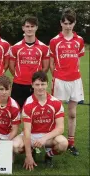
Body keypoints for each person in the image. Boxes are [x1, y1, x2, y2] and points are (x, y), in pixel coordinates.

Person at [15, 71, 68, 169]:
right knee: (15, 146)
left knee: (63, 143)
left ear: (47, 84)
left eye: (43, 84)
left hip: (48, 137)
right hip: (32, 136)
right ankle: (31, 151)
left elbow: (60, 128)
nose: (40, 87)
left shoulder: (56, 103)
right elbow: (27, 131)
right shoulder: (28, 104)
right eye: (37, 84)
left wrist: (44, 138)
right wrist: (28, 156)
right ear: (32, 85)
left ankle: (48, 156)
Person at [49, 8, 84, 156]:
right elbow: (51, 63)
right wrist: (57, 76)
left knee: (72, 114)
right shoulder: (54, 41)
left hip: (75, 80)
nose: (68, 26)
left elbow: (78, 61)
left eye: (70, 23)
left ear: (74, 23)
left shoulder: (79, 40)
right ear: (61, 23)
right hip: (60, 80)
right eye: (65, 23)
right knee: (56, 113)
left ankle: (71, 143)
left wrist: (73, 74)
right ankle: (51, 143)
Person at [8, 16, 50, 109]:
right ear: (23, 28)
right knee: (16, 113)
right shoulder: (15, 47)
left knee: (36, 112)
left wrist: (37, 80)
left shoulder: (44, 47)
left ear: (36, 27)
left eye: (32, 26)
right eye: (27, 26)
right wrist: (19, 77)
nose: (29, 29)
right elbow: (11, 66)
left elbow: (45, 67)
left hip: (36, 85)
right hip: (18, 85)